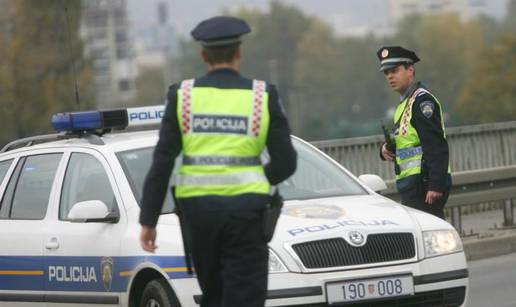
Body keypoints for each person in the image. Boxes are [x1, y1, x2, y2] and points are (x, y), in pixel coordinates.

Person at [139, 16, 297, 307]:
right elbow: (286, 162)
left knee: (214, 296)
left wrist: (149, 220)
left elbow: (162, 161)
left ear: (203, 55)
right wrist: (261, 178)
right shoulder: (262, 96)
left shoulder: (182, 97)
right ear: (239, 53)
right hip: (247, 215)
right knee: (245, 298)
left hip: (199, 217)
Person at [377, 46, 451, 219]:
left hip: (424, 185)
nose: (389, 76)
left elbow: (435, 144)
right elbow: (408, 141)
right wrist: (385, 149)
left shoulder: (422, 101)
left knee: (430, 239)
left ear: (410, 70)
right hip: (412, 185)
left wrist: (436, 185)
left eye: (394, 70)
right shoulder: (404, 104)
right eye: (386, 72)